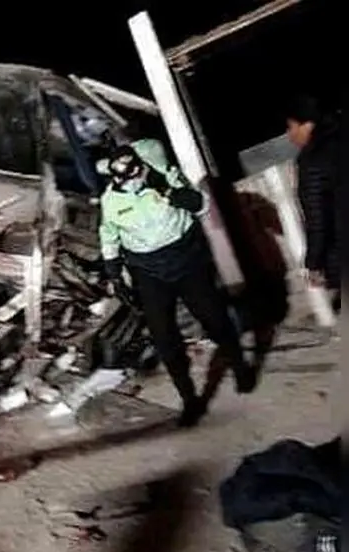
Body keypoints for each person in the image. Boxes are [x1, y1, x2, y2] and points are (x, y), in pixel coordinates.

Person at [97, 139, 256, 427]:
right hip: (149, 271)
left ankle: (240, 367)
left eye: (136, 173)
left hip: (186, 260)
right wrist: (115, 273)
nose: (133, 181)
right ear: (115, 177)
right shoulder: (111, 201)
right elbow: (109, 237)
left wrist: (167, 190)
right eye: (125, 177)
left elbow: (201, 204)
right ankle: (190, 400)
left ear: (140, 166)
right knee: (164, 337)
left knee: (214, 318)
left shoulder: (164, 176)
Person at [285, 94, 341, 307]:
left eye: (291, 127)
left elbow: (318, 218)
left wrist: (314, 262)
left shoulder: (313, 162)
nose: (290, 135)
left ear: (307, 125)